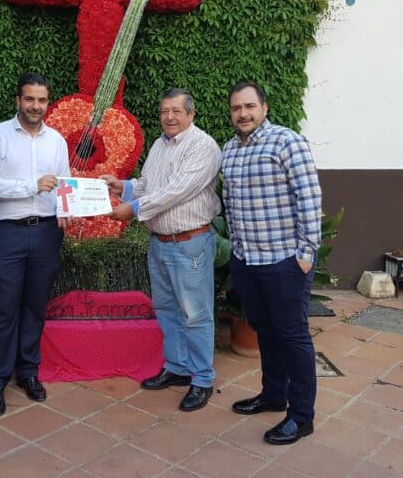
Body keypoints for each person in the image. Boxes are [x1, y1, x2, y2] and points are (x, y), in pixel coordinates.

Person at [103, 88, 221, 412]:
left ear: (191, 114)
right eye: (164, 111)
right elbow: (150, 185)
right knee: (167, 310)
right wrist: (123, 186)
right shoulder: (159, 144)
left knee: (196, 315)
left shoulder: (203, 147)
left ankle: (202, 379)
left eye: (176, 111)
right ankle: (178, 368)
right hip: (160, 243)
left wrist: (133, 209)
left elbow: (176, 191)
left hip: (189, 244)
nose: (169, 117)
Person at [221, 80, 322, 445]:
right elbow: (230, 203)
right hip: (247, 261)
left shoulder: (286, 141)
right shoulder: (229, 150)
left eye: (249, 106)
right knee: (264, 329)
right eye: (236, 108)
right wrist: (236, 249)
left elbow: (309, 197)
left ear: (264, 107)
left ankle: (301, 415)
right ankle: (273, 394)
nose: (243, 113)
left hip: (283, 261)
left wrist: (307, 253)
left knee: (293, 336)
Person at [0, 72, 70, 415]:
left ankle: (28, 372)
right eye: (29, 99)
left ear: (48, 103)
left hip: (47, 232)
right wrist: (32, 185)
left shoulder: (57, 141)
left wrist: (67, 210)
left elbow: (63, 186)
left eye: (42, 100)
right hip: (6, 232)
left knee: (35, 305)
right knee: (4, 308)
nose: (36, 106)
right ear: (18, 101)